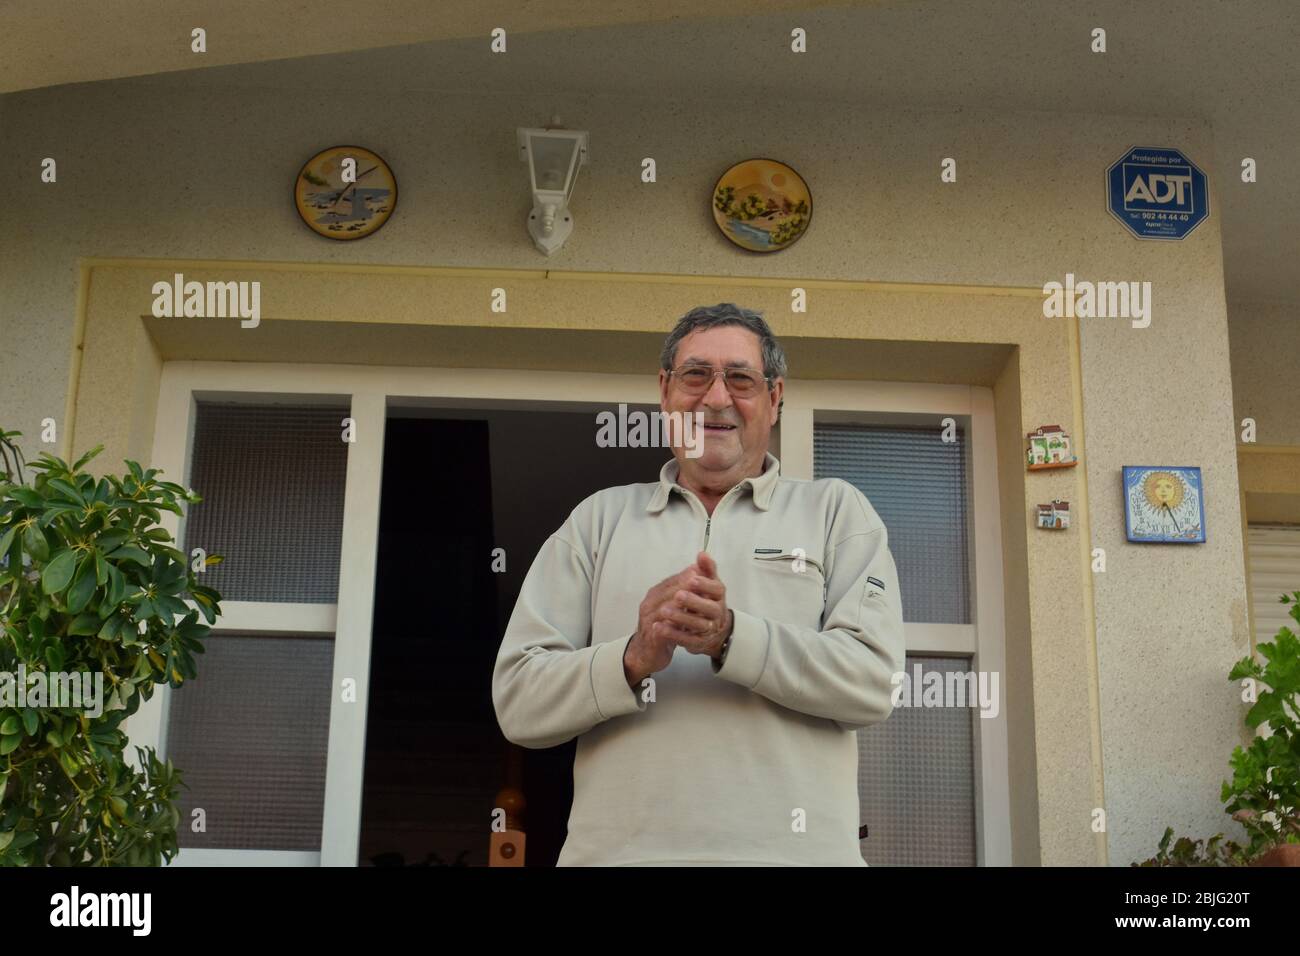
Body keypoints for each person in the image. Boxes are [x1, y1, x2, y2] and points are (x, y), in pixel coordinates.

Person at [491, 302, 905, 865]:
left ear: (775, 397)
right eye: (695, 375)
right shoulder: (598, 520)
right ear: (665, 391)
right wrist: (632, 659)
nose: (716, 398)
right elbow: (518, 703)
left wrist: (732, 638)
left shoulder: (836, 511)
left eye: (740, 378)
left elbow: (873, 684)